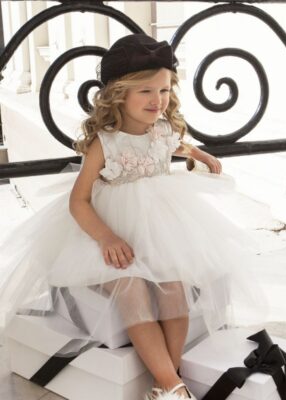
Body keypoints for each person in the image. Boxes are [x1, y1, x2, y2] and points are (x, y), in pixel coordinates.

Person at [0, 34, 268, 399]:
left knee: (173, 288)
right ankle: (172, 383)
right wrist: (106, 237)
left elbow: (175, 144)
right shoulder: (105, 143)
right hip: (112, 228)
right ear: (118, 94)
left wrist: (199, 154)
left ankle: (167, 381)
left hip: (159, 228)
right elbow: (79, 201)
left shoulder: (162, 129)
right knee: (132, 289)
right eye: (145, 91)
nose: (158, 100)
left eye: (164, 90)